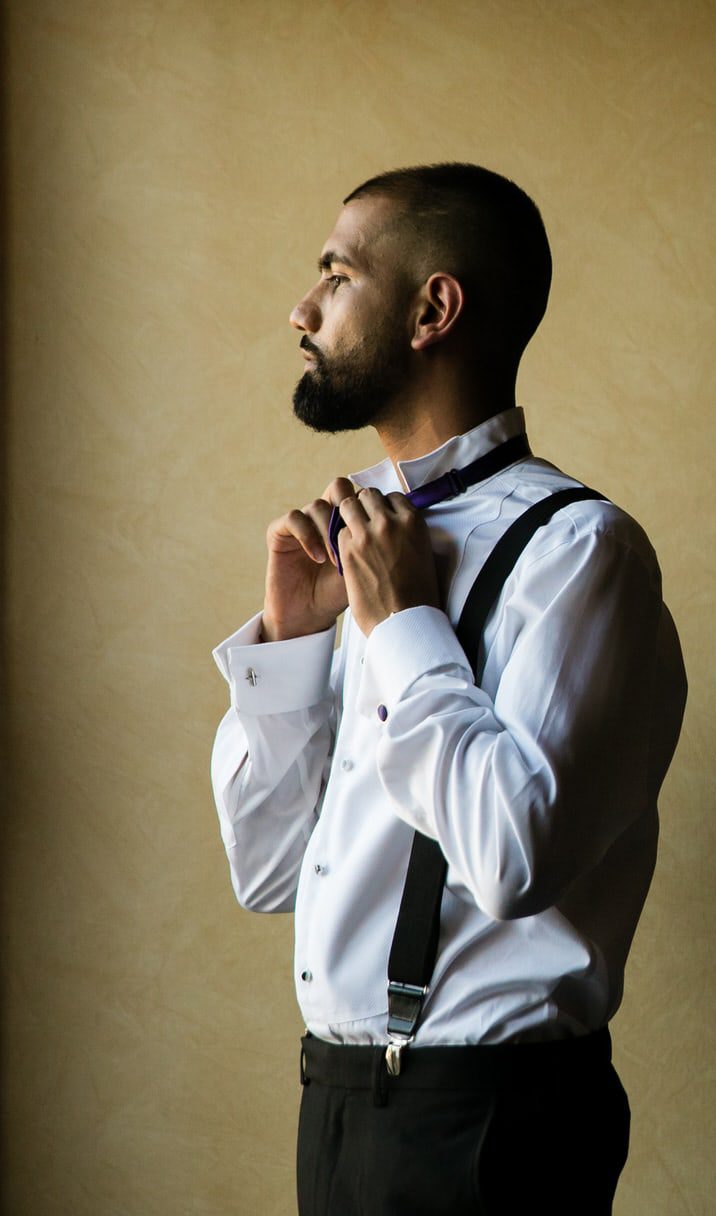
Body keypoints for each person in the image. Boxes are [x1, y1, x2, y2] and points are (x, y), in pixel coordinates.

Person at [209, 163, 686, 1214]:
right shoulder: (366, 545)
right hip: (336, 1103)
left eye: (336, 274)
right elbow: (270, 870)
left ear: (435, 308)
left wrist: (406, 626)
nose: (302, 309)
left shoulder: (580, 550)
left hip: (491, 1122)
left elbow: (514, 854)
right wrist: (292, 646)